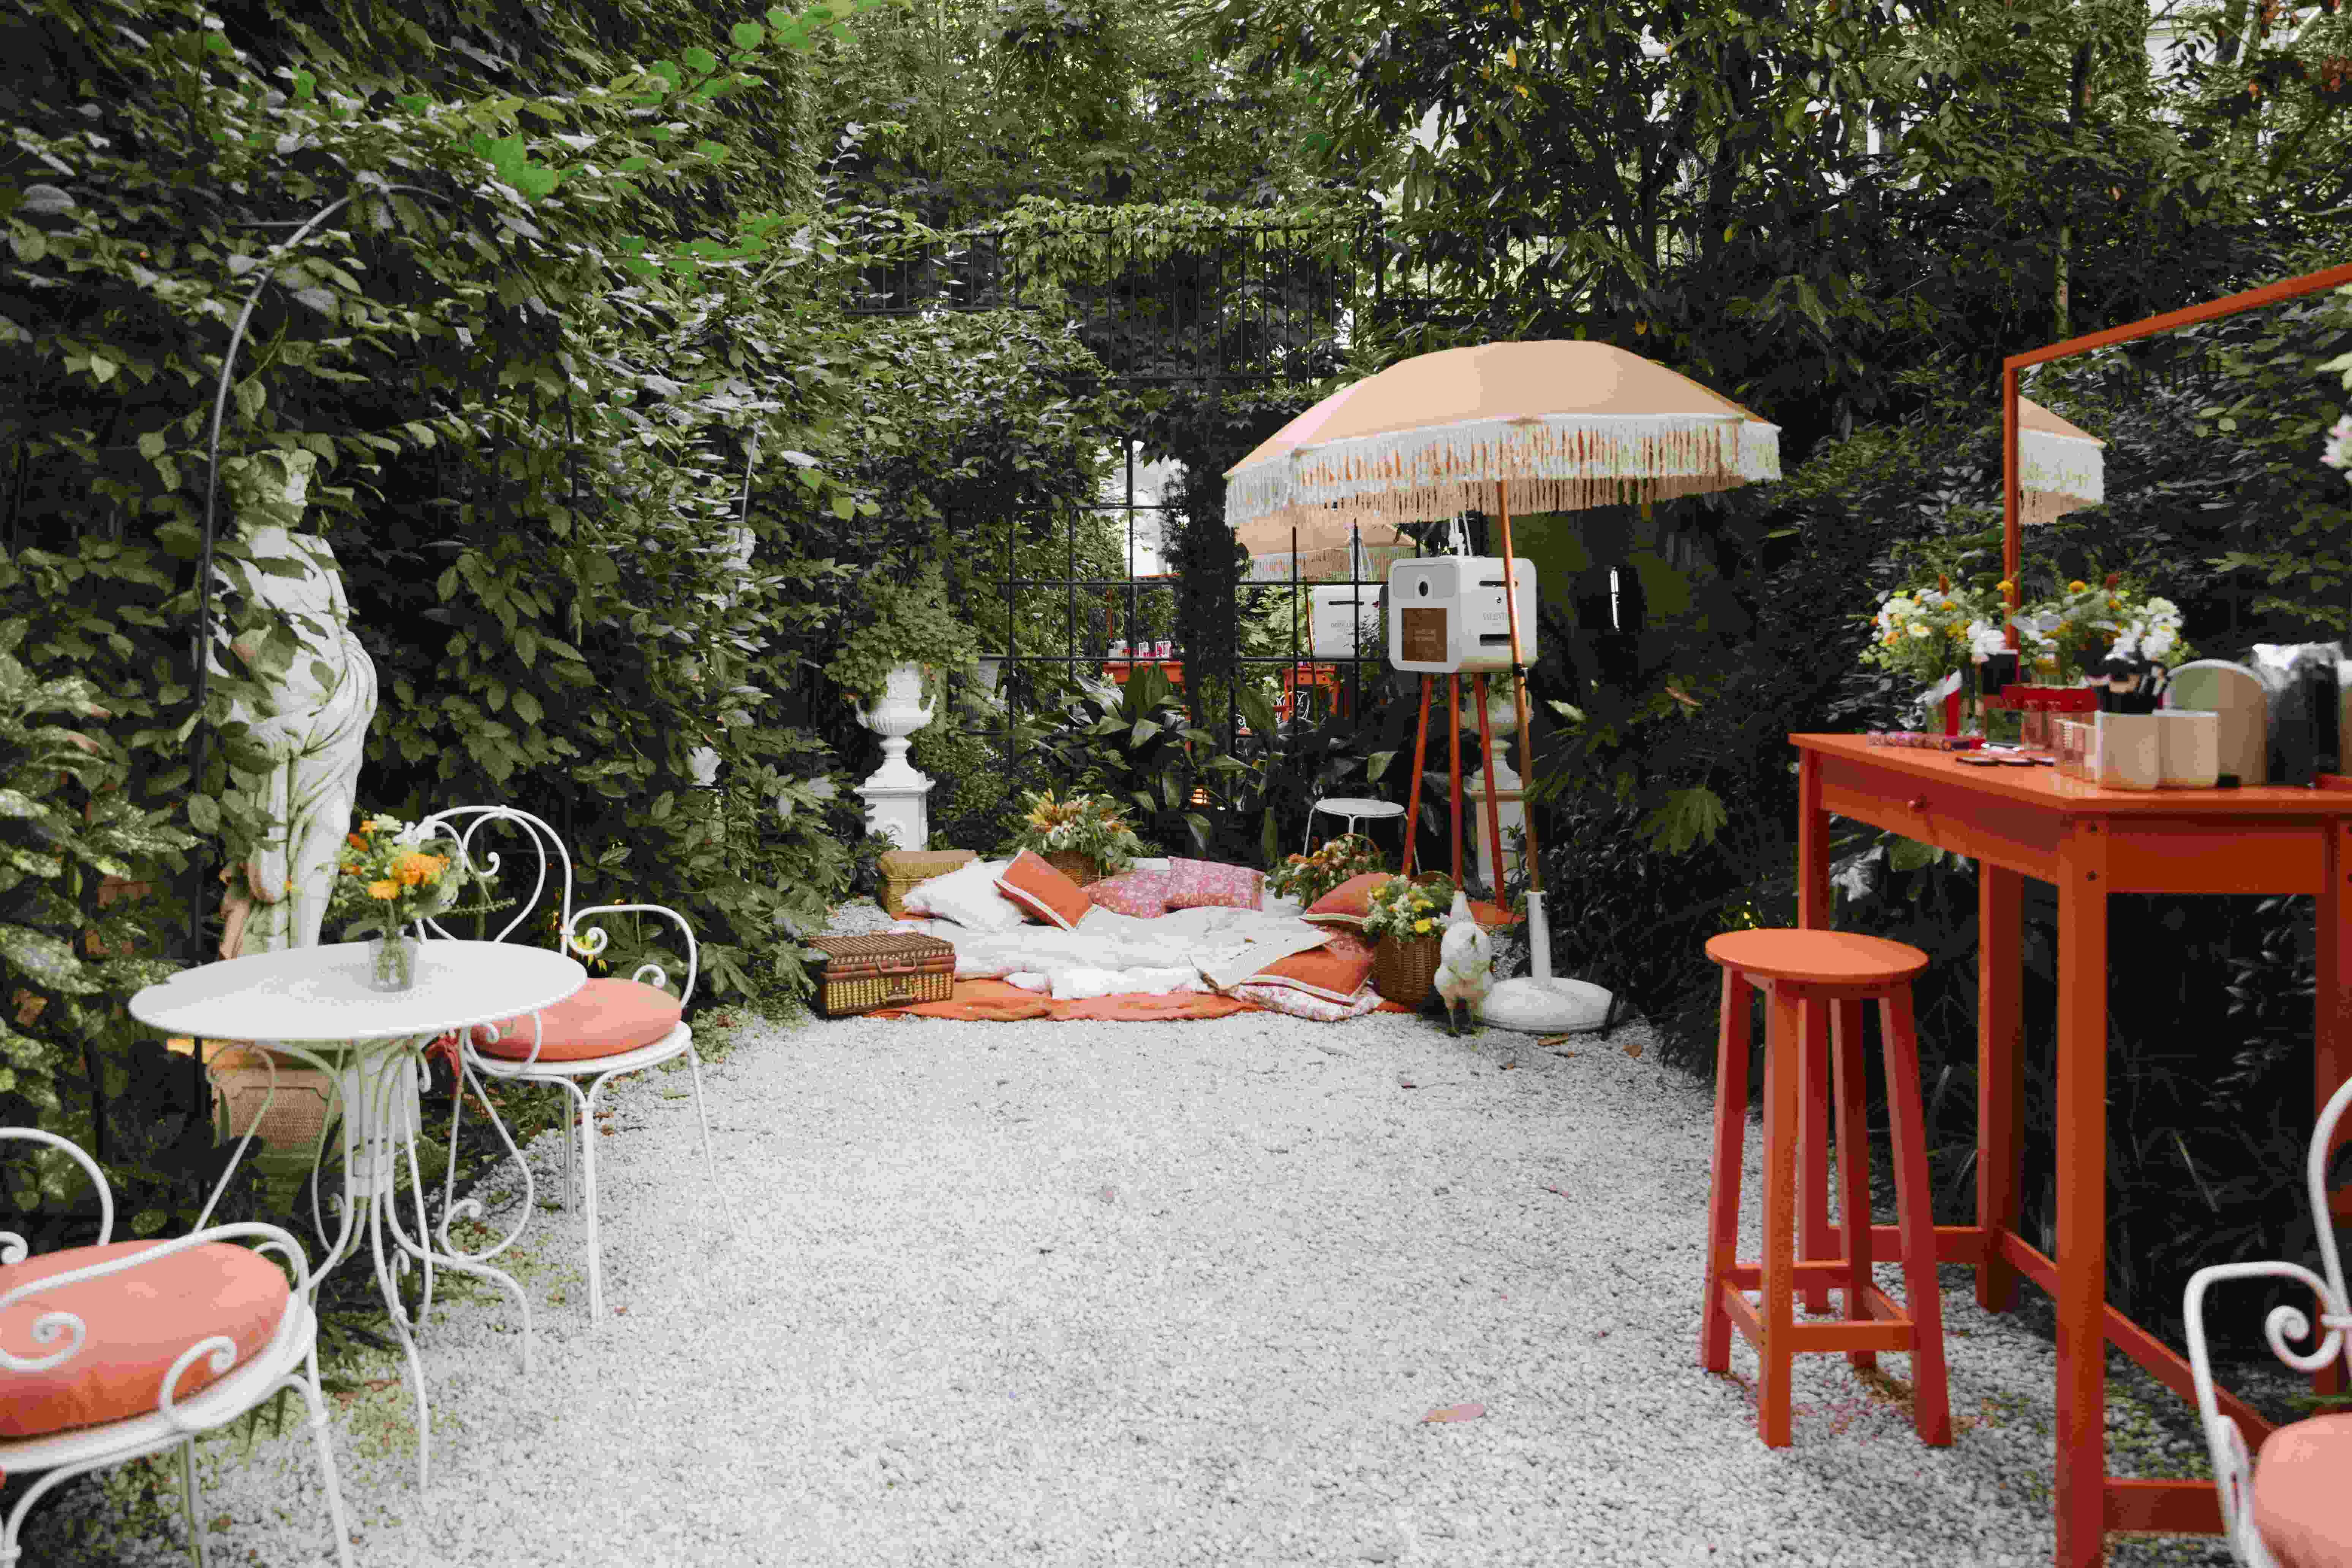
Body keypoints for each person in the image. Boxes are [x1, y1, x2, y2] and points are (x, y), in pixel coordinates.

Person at [213, 449, 378, 958]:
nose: (303, 495)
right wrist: (244, 729)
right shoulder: (227, 563)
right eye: (291, 485)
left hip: (338, 714)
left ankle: (304, 956)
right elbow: (214, 659)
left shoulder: (315, 550)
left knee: (331, 829)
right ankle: (274, 962)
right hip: (278, 727)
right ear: (255, 494)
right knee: (270, 857)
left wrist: (351, 691)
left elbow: (341, 630)